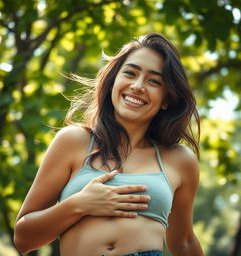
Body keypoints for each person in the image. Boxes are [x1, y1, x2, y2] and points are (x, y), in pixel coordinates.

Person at [14, 33, 204, 256]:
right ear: (113, 82)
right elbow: (23, 238)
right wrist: (80, 204)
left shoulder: (180, 160)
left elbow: (184, 242)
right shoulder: (73, 141)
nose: (137, 86)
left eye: (154, 81)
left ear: (166, 100)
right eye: (130, 73)